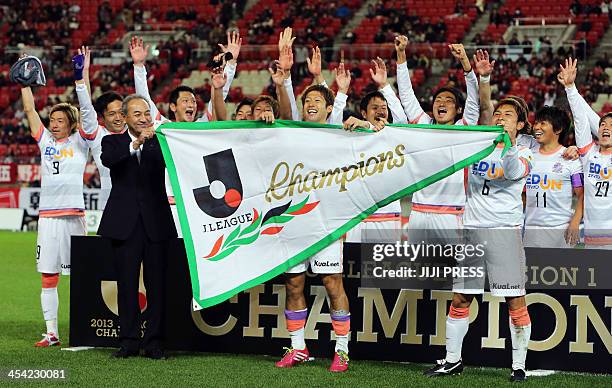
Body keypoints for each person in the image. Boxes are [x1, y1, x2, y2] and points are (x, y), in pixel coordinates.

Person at [426, 97, 534, 382]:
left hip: (504, 233)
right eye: (497, 113)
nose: (500, 118)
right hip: (471, 230)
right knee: (461, 298)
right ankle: (452, 360)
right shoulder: (476, 147)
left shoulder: (524, 151)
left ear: (520, 124)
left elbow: (512, 173)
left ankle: (519, 365)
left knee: (514, 300)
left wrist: (508, 144)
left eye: (508, 115)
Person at [275, 65, 351, 372]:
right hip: (294, 221)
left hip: (327, 223)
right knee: (293, 284)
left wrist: (358, 121)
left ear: (329, 109)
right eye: (308, 100)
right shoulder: (291, 133)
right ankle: (298, 348)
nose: (311, 104)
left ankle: (342, 350)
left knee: (333, 284)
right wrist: (283, 82)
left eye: (318, 101)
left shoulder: (339, 136)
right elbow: (283, 109)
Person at [16, 60, 89, 347]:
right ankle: (52, 333)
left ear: (71, 124)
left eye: (60, 121)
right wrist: (25, 85)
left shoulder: (81, 142)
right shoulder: (44, 140)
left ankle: (85, 331)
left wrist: (80, 78)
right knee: (48, 276)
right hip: (47, 218)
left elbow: (87, 114)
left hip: (73, 217)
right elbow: (30, 110)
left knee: (82, 277)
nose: (54, 125)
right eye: (52, 121)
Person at [98, 94, 177, 359]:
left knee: (158, 286)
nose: (144, 118)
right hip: (124, 225)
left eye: (146, 113)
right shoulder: (112, 141)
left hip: (156, 223)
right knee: (127, 285)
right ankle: (128, 341)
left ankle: (154, 343)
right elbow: (111, 161)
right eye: (137, 114)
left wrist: (151, 140)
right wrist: (136, 144)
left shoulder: (161, 142)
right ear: (124, 117)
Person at [395, 36, 480, 243]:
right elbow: (406, 95)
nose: (441, 103)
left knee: (451, 269)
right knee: (420, 270)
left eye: (448, 101)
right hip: (418, 212)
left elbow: (474, 101)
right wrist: (401, 55)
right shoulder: (424, 125)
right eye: (438, 100)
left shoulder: (464, 131)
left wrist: (466, 66)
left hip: (450, 215)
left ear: (458, 109)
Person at [344, 57, 407, 243]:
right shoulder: (352, 135)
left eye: (384, 107)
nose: (381, 110)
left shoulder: (395, 136)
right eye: (375, 108)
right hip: (358, 216)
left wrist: (385, 85)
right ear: (363, 113)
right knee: (355, 271)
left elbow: (402, 120)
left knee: (383, 270)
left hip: (387, 216)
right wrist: (366, 127)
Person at [559, 58, 612, 248]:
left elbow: (592, 117)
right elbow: (582, 119)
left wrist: (572, 89)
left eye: (611, 126)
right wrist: (570, 88)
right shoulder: (590, 154)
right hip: (592, 240)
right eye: (603, 125)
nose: (605, 128)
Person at [73, 46, 126, 210]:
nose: (118, 117)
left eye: (121, 112)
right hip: (110, 205)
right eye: (112, 114)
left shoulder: (137, 132)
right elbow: (86, 108)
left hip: (141, 205)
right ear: (102, 117)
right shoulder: (98, 137)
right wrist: (82, 76)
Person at [523, 106, 584, 248]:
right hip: (531, 230)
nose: (537, 127)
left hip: (560, 231)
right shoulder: (526, 155)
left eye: (543, 123)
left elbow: (581, 194)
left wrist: (575, 222)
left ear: (558, 129)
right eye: (536, 122)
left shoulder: (571, 159)